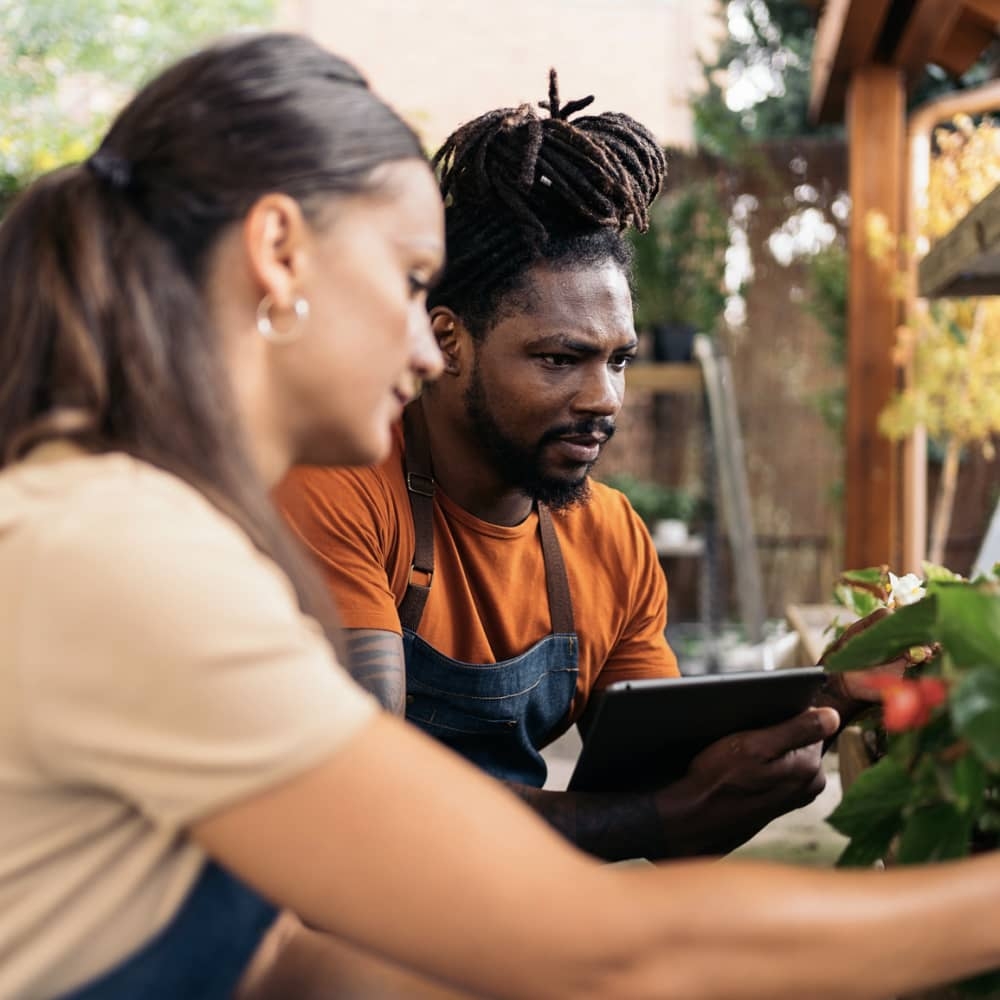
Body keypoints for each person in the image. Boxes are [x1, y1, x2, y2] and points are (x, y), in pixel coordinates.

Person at [5, 31, 1000, 1000]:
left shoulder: (141, 524)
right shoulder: (119, 553)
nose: (426, 347)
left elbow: (276, 962)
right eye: (405, 285)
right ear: (276, 252)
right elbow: (602, 950)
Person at [276, 75, 881, 862]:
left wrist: (829, 697)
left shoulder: (610, 537)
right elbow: (364, 803)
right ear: (448, 341)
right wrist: (650, 820)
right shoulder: (340, 488)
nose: (603, 399)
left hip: (514, 912)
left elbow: (681, 796)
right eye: (559, 359)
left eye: (619, 360)